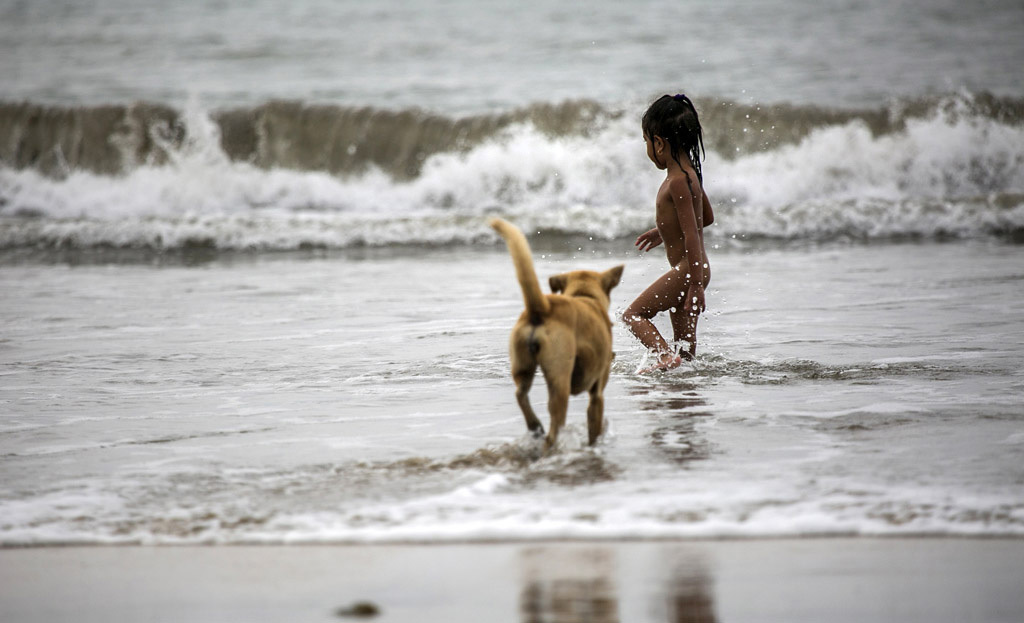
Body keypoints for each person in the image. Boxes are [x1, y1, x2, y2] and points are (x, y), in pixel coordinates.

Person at [623, 94, 714, 372]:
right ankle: (685, 388)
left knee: (634, 315)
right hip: (693, 270)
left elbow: (692, 235)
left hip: (689, 270)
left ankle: (664, 355)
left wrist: (696, 284)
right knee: (686, 347)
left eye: (646, 141)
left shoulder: (677, 182)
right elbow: (706, 218)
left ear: (659, 143)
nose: (648, 148)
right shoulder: (690, 176)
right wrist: (664, 231)